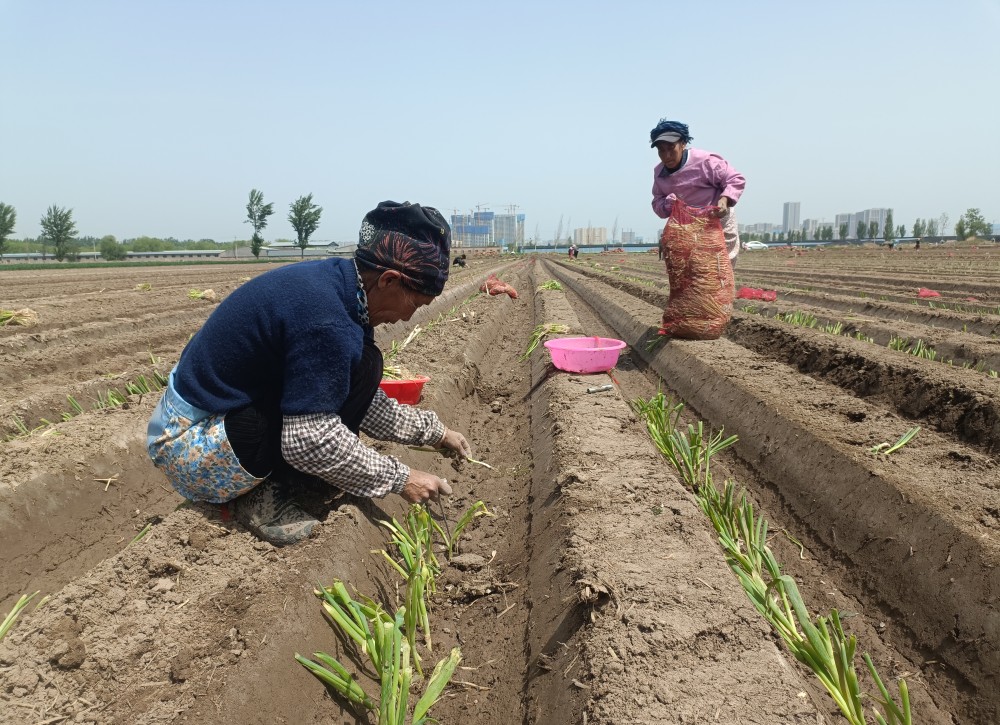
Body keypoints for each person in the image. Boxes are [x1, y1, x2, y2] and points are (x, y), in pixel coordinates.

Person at [147, 201, 472, 545]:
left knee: (362, 366)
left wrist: (436, 432)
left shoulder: (345, 291)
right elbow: (309, 439)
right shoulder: (326, 319)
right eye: (415, 304)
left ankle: (290, 480)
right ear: (389, 280)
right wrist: (402, 478)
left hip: (223, 419)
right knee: (306, 416)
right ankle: (251, 499)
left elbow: (358, 398)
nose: (408, 318)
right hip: (190, 445)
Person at [650, 119, 745, 265]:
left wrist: (725, 199)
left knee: (717, 269)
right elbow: (657, 204)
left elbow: (735, 179)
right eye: (661, 150)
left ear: (683, 144)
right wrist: (668, 204)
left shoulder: (704, 161)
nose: (666, 155)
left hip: (718, 221)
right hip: (688, 227)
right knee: (690, 271)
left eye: (671, 148)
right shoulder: (659, 173)